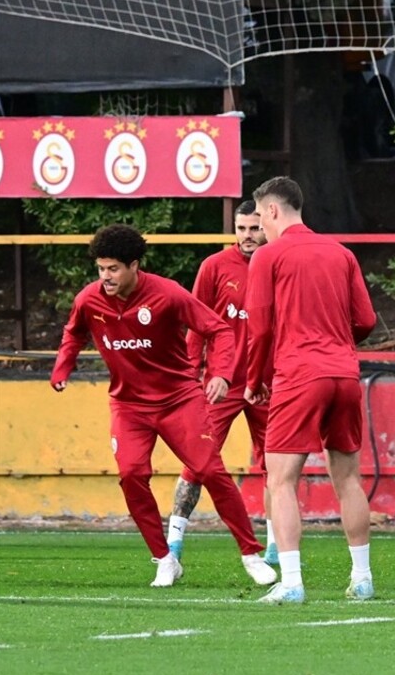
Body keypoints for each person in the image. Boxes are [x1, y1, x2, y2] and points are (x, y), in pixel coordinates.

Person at [49, 224, 278, 589]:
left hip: (178, 399)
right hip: (128, 406)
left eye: (113, 269)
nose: (105, 277)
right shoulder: (89, 299)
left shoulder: (168, 293)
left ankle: (250, 553)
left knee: (209, 469)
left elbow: (218, 329)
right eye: (100, 268)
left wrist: (219, 373)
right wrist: (63, 366)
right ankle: (164, 558)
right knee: (131, 475)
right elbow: (73, 332)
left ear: (134, 265)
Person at [244, 176, 378, 605]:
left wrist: (254, 381)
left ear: (273, 211)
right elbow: (367, 321)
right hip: (344, 374)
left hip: (299, 374)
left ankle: (293, 582)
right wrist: (337, 341)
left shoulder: (268, 256)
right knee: (349, 478)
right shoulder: (342, 253)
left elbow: (259, 328)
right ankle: (362, 578)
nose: (259, 227)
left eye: (260, 217)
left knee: (281, 480)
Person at [165, 200, 277, 565]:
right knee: (197, 462)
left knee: (277, 466)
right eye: (242, 228)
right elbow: (196, 324)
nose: (248, 235)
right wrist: (190, 373)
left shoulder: (280, 264)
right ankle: (174, 543)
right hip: (220, 384)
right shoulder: (214, 267)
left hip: (268, 383)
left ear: (267, 226)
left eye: (255, 228)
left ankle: (277, 546)